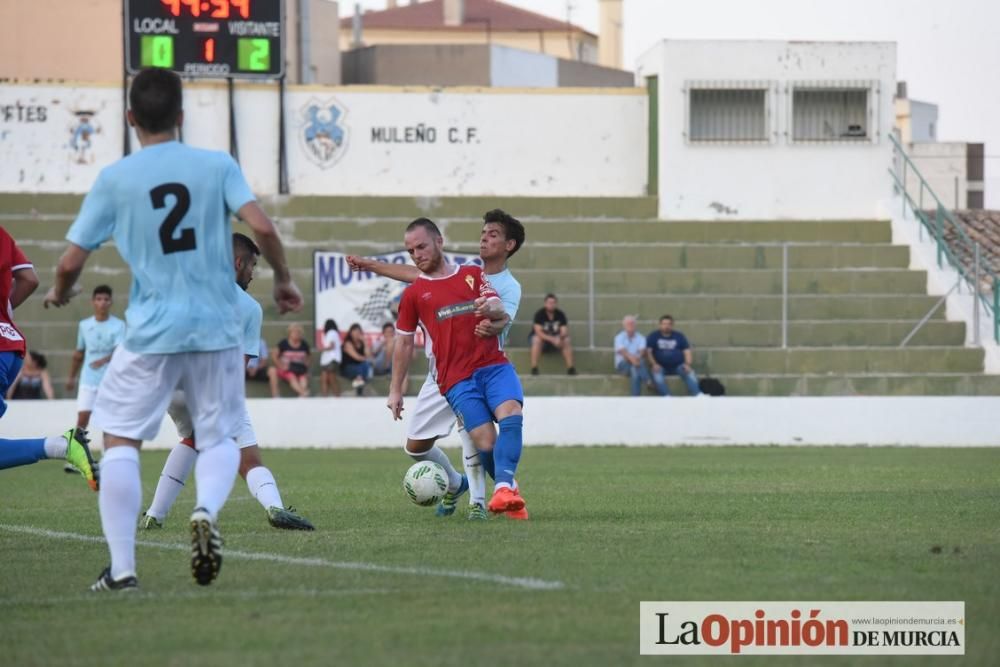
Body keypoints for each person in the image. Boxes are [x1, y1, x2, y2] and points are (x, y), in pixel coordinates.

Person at [43, 68, 302, 591]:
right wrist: (284, 282)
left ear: (131, 117)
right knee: (221, 433)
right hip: (215, 329)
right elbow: (264, 227)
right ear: (182, 116)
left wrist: (60, 290)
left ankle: (123, 569)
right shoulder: (216, 165)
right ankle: (204, 510)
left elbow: (71, 262)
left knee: (120, 440)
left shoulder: (116, 179)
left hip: (151, 330)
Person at [347, 208, 527, 520]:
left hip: (483, 365)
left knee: (477, 431)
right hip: (443, 373)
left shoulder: (497, 283)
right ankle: (462, 485)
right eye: (483, 233)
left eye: (493, 234)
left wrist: (493, 321)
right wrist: (370, 265)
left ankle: (484, 500)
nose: (484, 238)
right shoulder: (456, 275)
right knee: (416, 446)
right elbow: (421, 281)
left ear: (509, 246)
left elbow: (502, 318)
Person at [142, 233, 313, 531]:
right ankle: (275, 507)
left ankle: (154, 515)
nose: (252, 273)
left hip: (169, 385)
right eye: (252, 266)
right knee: (249, 459)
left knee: (192, 441)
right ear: (237, 263)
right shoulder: (248, 307)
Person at [0, 226, 96, 488]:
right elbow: (29, 279)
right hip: (10, 348)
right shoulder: (3, 234)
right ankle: (59, 446)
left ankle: (60, 446)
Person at [66, 285, 126, 428]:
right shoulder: (84, 325)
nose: (102, 303)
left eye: (106, 299)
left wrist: (103, 360)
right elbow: (79, 353)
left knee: (111, 420)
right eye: (99, 299)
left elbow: (121, 352)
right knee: (82, 418)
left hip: (111, 379)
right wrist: (71, 377)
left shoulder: (119, 325)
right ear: (92, 302)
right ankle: (77, 449)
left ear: (111, 302)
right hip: (88, 379)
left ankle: (110, 450)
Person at [646, 315, 702, 397]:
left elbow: (687, 351)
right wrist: (654, 364)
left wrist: (687, 364)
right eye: (664, 324)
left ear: (672, 325)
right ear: (660, 325)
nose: (666, 326)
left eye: (669, 324)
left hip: (678, 366)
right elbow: (648, 352)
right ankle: (667, 397)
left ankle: (698, 395)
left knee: (690, 373)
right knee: (657, 376)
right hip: (660, 366)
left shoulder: (679, 336)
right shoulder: (654, 336)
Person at [530, 293, 576, 375]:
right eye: (549, 302)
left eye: (553, 302)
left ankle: (571, 368)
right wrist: (552, 339)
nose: (551, 305)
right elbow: (538, 332)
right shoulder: (539, 314)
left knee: (567, 340)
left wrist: (560, 338)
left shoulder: (560, 314)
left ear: (556, 304)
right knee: (536, 339)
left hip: (556, 340)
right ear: (545, 303)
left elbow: (564, 331)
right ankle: (534, 368)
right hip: (542, 340)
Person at [614, 315, 653, 396]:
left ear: (635, 325)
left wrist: (636, 359)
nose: (630, 325)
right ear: (624, 326)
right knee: (635, 364)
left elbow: (642, 351)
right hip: (623, 365)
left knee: (635, 370)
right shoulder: (618, 337)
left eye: (632, 323)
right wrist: (633, 359)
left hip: (637, 363)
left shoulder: (641, 337)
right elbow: (623, 352)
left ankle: (635, 399)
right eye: (628, 324)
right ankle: (648, 380)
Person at [269, 323, 311, 398]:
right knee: (291, 377)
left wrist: (306, 367)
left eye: (299, 332)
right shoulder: (283, 343)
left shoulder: (304, 344)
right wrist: (281, 366)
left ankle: (302, 395)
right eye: (294, 332)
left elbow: (309, 357)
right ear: (290, 333)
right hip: (287, 369)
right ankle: (303, 393)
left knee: (303, 379)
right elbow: (274, 355)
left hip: (299, 368)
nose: (297, 334)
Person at [340, 323, 372, 396]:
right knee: (361, 368)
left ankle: (359, 384)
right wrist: (366, 359)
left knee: (364, 366)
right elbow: (357, 357)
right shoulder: (347, 343)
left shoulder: (361, 343)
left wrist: (365, 342)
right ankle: (360, 387)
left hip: (360, 367)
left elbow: (368, 355)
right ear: (350, 333)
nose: (356, 334)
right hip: (348, 367)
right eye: (354, 332)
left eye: (358, 332)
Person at [318, 319, 342, 397]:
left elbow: (332, 346)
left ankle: (335, 396)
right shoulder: (334, 333)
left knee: (330, 379)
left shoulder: (331, 333)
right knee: (325, 379)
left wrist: (322, 349)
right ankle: (329, 396)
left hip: (331, 359)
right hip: (328, 359)